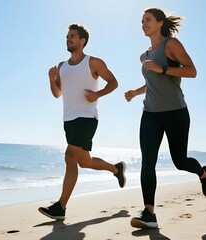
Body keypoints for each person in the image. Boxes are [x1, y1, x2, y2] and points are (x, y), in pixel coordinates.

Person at [124, 8, 206, 229]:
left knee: (180, 161)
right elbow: (153, 83)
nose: (143, 24)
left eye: (148, 20)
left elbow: (192, 71)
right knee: (148, 161)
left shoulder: (170, 45)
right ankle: (149, 213)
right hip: (150, 114)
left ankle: (203, 173)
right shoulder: (144, 55)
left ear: (160, 23)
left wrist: (162, 68)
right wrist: (136, 93)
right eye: (141, 20)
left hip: (175, 112)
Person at [38, 24, 126, 220]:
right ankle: (116, 169)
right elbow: (57, 93)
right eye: (67, 36)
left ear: (82, 41)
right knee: (84, 162)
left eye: (72, 36)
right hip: (68, 119)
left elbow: (113, 82)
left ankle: (61, 207)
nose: (68, 39)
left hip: (86, 118)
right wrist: (52, 79)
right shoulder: (62, 66)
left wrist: (98, 94)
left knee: (70, 157)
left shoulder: (93, 62)